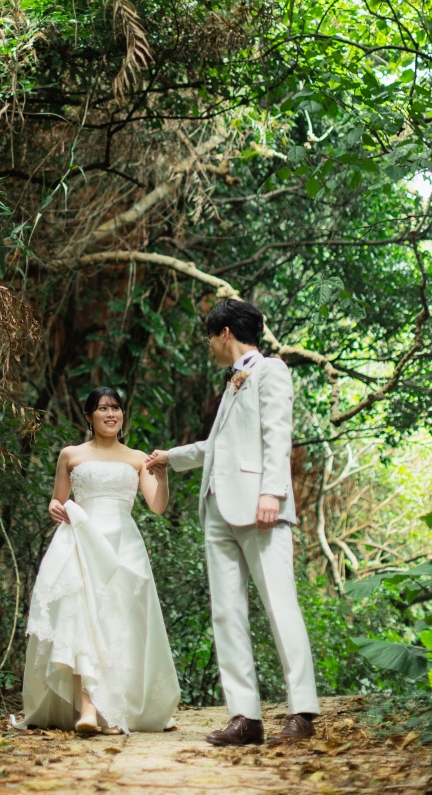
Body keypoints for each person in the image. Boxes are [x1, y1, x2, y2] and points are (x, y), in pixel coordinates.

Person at [146, 298, 319, 746]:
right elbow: (216, 446)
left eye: (210, 336)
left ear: (225, 333)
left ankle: (302, 712)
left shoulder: (270, 371)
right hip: (217, 511)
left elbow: (277, 434)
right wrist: (172, 458)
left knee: (280, 607)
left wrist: (272, 492)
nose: (209, 345)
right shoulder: (232, 384)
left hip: (261, 508)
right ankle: (246, 717)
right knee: (227, 614)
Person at [14, 387, 180, 735]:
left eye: (116, 408)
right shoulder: (70, 455)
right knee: (81, 617)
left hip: (123, 545)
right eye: (102, 408)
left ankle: (112, 705)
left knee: (118, 624)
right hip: (79, 540)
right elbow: (57, 501)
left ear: (122, 415)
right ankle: (88, 707)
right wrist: (54, 507)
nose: (111, 414)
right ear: (88, 416)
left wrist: (161, 476)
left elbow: (157, 506)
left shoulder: (137, 458)